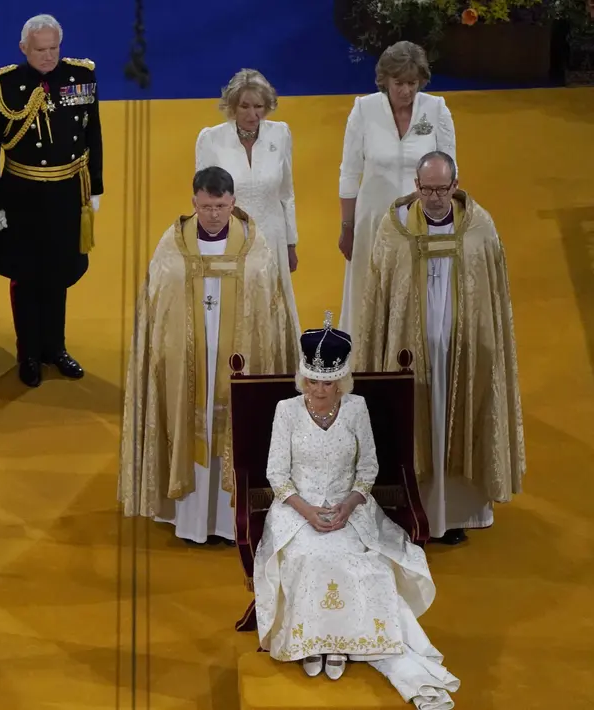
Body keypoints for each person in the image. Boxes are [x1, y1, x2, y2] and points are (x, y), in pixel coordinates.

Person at [254, 315, 459, 709]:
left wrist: (348, 506)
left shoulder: (356, 408)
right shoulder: (286, 411)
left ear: (342, 382)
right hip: (296, 508)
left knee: (362, 559)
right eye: (312, 382)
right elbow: (276, 474)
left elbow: (368, 469)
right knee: (308, 555)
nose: (318, 390)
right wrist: (308, 512)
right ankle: (313, 641)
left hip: (350, 508)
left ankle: (339, 642)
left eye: (327, 383)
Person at [118, 167, 296, 545]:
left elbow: (270, 313)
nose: (214, 215)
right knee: (191, 427)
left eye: (221, 206)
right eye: (206, 207)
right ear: (194, 202)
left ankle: (232, 521)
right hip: (186, 364)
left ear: (233, 203)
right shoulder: (173, 246)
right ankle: (191, 522)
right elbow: (157, 306)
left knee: (234, 428)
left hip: (239, 362)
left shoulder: (255, 248)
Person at [354, 151, 525, 545]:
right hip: (408, 354)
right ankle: (410, 510)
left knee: (457, 420)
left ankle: (457, 514)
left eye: (442, 189)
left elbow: (493, 299)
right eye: (427, 189)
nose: (434, 197)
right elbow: (379, 298)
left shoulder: (479, 229)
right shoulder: (394, 229)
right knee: (413, 423)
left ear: (455, 185)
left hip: (465, 353)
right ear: (416, 185)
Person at [0, 13, 103, 387]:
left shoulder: (81, 76)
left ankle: (55, 348)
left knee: (59, 273)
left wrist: (95, 187)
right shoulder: (2, 85)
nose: (48, 56)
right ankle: (29, 352)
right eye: (40, 50)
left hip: (66, 192)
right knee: (28, 276)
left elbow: (93, 133)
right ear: (23, 48)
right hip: (23, 195)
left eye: (54, 48)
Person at [338, 40, 456, 341]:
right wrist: (347, 227)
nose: (406, 90)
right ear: (385, 80)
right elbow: (349, 173)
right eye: (399, 83)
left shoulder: (437, 110)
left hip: (422, 222)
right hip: (373, 220)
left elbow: (450, 170)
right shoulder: (363, 110)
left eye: (412, 83)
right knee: (368, 291)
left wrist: (447, 224)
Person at [195, 69, 300, 336]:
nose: (252, 114)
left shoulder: (281, 134)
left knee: (272, 312)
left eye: (258, 106)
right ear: (232, 106)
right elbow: (204, 198)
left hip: (273, 238)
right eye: (245, 106)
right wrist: (205, 244)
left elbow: (286, 193)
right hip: (230, 239)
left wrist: (291, 243)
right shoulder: (211, 139)